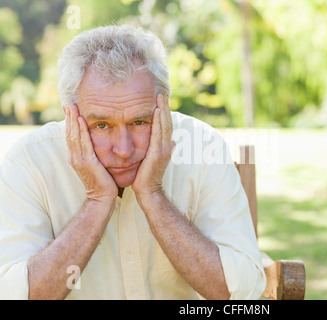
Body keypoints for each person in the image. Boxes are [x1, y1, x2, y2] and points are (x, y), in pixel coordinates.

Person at [0, 25, 266, 300]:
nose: (124, 149)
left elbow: (244, 296)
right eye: (101, 125)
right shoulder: (29, 162)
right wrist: (96, 201)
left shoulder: (203, 148)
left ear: (163, 107)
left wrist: (153, 195)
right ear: (70, 115)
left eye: (139, 122)